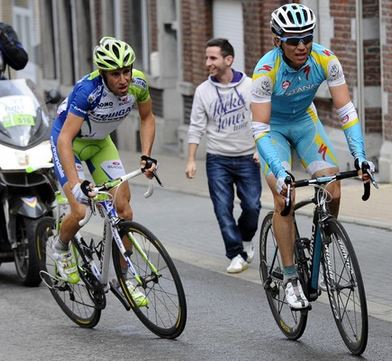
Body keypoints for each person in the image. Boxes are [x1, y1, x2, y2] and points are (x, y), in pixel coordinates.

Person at [251, 4, 374, 309]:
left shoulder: (325, 58)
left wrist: (360, 157)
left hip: (306, 123)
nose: (302, 46)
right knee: (284, 199)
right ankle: (291, 277)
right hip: (274, 131)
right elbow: (261, 130)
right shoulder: (266, 72)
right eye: (293, 40)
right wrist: (280, 172)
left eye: (307, 37)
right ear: (277, 40)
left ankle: (326, 235)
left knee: (332, 186)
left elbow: (345, 110)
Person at [50, 36, 156, 306]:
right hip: (70, 143)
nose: (123, 79)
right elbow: (64, 139)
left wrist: (146, 155)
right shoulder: (88, 91)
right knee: (81, 210)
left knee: (124, 210)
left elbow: (147, 117)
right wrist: (77, 184)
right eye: (115, 73)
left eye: (127, 71)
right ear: (103, 73)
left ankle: (125, 279)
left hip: (100, 144)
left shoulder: (138, 84)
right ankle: (60, 247)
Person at [185, 38, 261, 274]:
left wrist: (261, 149)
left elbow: (261, 120)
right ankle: (235, 253)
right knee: (222, 209)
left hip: (248, 157)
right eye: (207, 58)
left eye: (213, 58)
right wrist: (191, 159)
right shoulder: (203, 91)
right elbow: (196, 126)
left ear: (229, 60)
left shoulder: (250, 86)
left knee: (252, 206)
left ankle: (245, 240)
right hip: (217, 159)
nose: (208, 62)